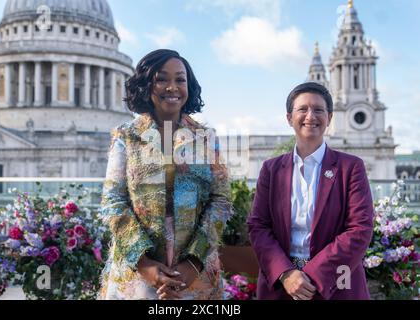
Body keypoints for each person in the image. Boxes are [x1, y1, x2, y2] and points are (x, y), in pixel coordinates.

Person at [99, 49, 233, 300]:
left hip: (196, 272)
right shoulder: (125, 137)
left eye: (180, 80)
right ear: (146, 84)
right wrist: (145, 264)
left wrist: (192, 264)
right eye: (162, 79)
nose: (172, 87)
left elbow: (221, 201)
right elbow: (113, 201)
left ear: (189, 86)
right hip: (136, 273)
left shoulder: (206, 138)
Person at [247, 82, 374, 300]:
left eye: (318, 109)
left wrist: (312, 274)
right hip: (281, 286)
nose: (310, 116)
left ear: (329, 117)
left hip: (337, 285)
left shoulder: (351, 167)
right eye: (302, 109)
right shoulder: (271, 169)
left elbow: (360, 229)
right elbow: (258, 226)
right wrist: (287, 274)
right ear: (289, 118)